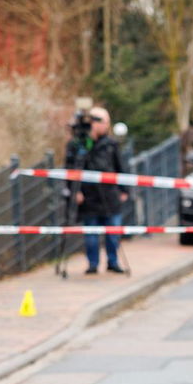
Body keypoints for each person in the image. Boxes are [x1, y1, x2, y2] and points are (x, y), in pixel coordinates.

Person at [73, 107, 127, 275]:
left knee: (113, 232)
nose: (106, 126)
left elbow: (120, 167)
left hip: (110, 195)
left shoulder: (111, 144)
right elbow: (73, 168)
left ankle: (113, 261)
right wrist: (76, 190)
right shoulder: (81, 144)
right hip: (89, 197)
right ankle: (93, 263)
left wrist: (124, 189)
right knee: (91, 234)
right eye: (104, 122)